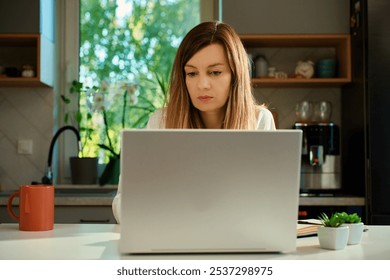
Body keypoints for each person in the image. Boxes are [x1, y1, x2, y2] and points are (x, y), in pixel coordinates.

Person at [112, 21, 276, 223]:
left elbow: (271, 206)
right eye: (192, 73)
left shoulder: (260, 121)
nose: (202, 84)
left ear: (235, 75)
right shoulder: (160, 122)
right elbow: (122, 208)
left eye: (215, 72)